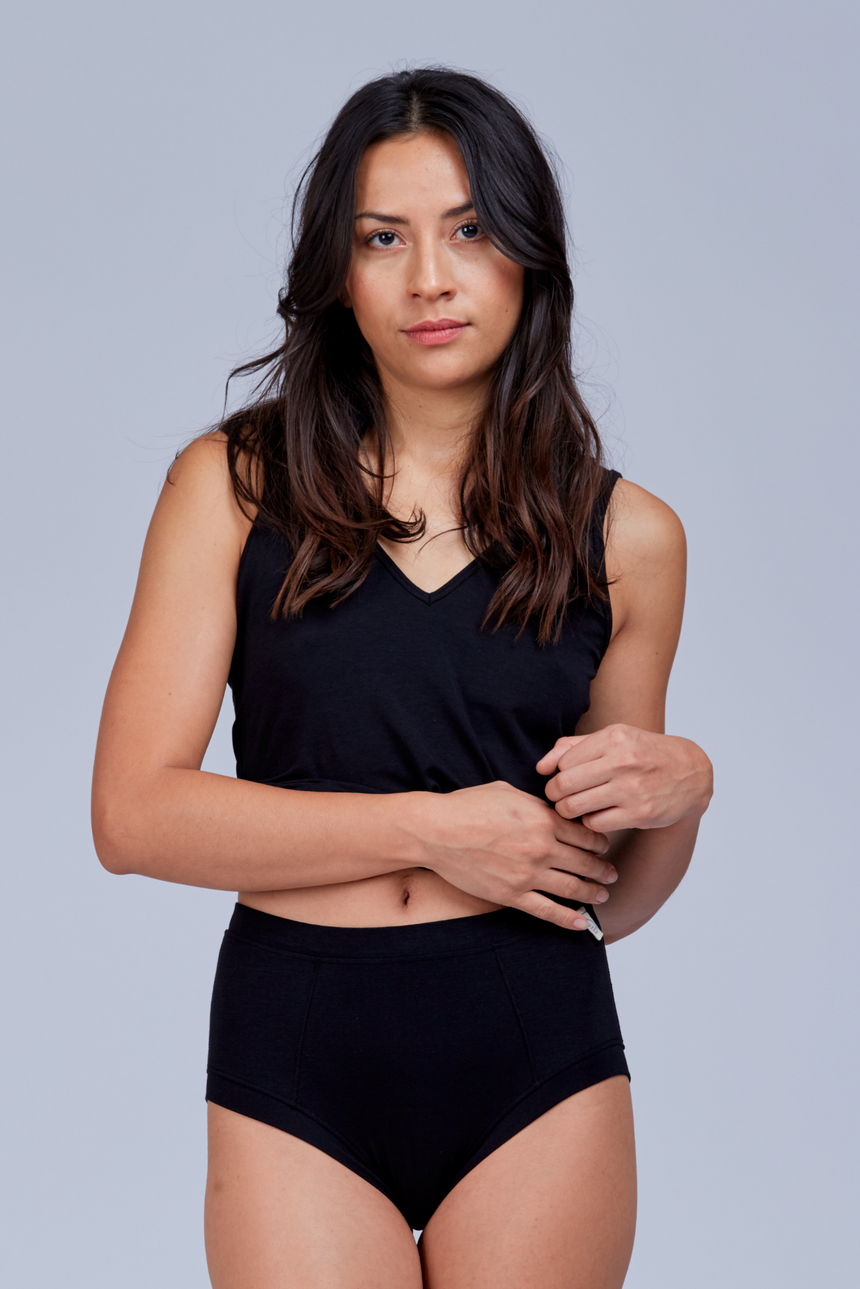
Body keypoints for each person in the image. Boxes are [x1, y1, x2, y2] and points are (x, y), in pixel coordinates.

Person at [92, 65, 713, 1289]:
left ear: (529, 254)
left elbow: (614, 892)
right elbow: (130, 815)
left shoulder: (630, 536)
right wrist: (431, 830)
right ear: (338, 269)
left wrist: (682, 786)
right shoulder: (232, 484)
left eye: (470, 230)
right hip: (299, 1029)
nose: (429, 276)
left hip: (535, 1041)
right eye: (385, 237)